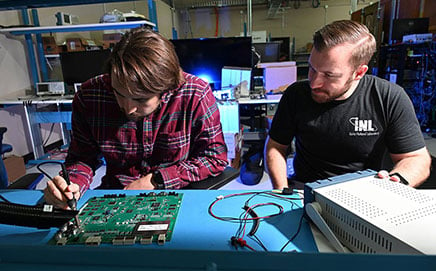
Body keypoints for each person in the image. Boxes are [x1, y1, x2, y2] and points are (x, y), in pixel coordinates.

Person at [44, 27, 228, 209]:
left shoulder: (195, 94)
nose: (128, 108)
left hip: (178, 195)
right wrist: (71, 185)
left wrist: (158, 180)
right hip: (116, 196)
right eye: (119, 93)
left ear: (166, 90)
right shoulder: (89, 95)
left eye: (141, 99)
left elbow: (214, 158)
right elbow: (82, 158)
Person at [266, 20, 431, 190]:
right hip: (305, 190)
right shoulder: (296, 95)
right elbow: (276, 147)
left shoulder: (388, 97)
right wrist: (282, 191)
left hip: (363, 193)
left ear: (359, 72)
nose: (314, 83)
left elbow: (416, 158)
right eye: (312, 69)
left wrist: (395, 181)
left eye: (329, 75)